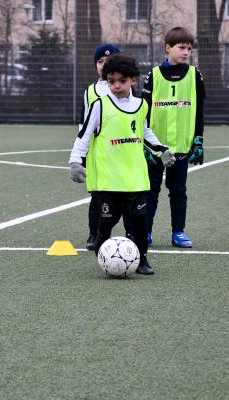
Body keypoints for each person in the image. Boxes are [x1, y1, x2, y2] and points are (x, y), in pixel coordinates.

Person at [69, 54, 175, 275]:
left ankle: (142, 260)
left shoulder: (141, 105)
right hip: (107, 181)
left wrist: (162, 150)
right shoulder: (100, 105)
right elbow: (84, 135)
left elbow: (145, 133)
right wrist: (75, 161)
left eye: (121, 81)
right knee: (106, 224)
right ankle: (104, 259)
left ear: (133, 80)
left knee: (138, 224)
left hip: (135, 179)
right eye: (111, 81)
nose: (116, 85)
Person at [141, 27, 206, 248]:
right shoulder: (154, 75)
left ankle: (178, 232)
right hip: (155, 149)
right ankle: (145, 231)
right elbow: (143, 111)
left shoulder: (194, 75)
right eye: (181, 47)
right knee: (150, 191)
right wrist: (144, 144)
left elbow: (199, 110)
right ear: (168, 48)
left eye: (189, 48)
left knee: (178, 191)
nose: (186, 52)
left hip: (182, 147)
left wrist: (198, 139)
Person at [81, 43, 121, 251]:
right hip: (99, 154)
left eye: (109, 60)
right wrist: (81, 152)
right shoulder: (90, 92)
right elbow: (84, 124)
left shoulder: (125, 88)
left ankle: (132, 233)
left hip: (122, 152)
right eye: (100, 61)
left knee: (125, 196)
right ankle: (94, 235)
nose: (105, 65)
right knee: (97, 196)